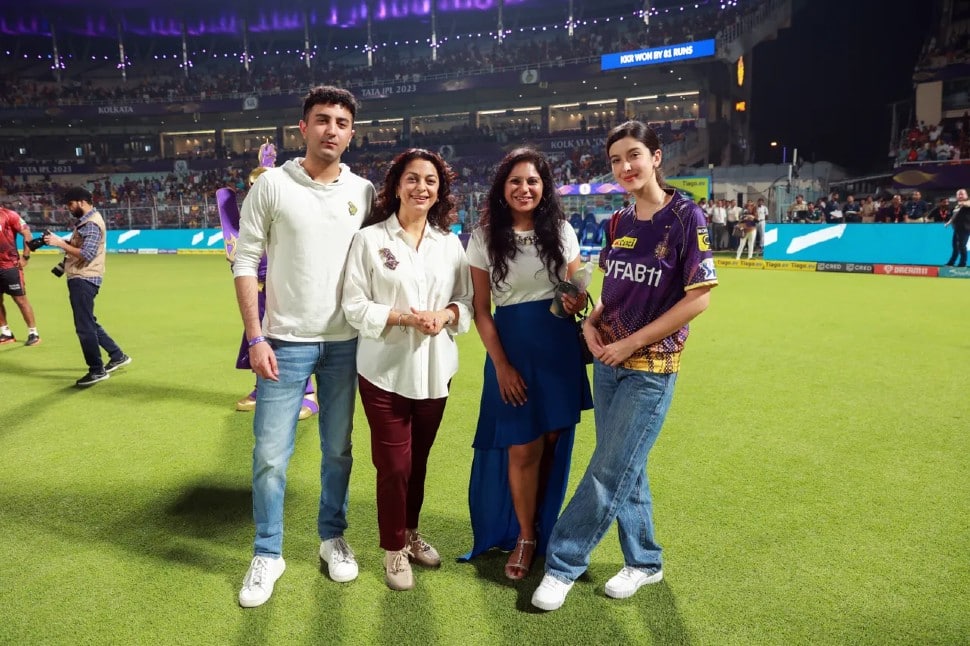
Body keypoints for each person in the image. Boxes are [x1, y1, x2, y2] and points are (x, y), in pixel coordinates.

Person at [531, 120, 717, 612]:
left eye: (633, 155)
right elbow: (617, 291)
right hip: (607, 360)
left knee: (608, 467)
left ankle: (562, 564)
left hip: (650, 365)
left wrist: (629, 341)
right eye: (615, 160)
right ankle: (646, 561)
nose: (624, 167)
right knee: (626, 464)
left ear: (656, 157)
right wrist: (592, 325)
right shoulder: (618, 221)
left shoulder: (686, 217)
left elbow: (698, 298)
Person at [233, 86, 375, 608]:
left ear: (351, 132)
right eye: (322, 120)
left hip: (346, 344)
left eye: (341, 122)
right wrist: (255, 337)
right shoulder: (271, 185)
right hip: (284, 345)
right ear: (303, 128)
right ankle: (268, 552)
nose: (331, 129)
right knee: (270, 455)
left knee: (338, 451)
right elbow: (245, 260)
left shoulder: (364, 191)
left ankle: (331, 536)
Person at [459, 147, 593, 579]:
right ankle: (525, 537)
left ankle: (545, 526)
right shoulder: (483, 237)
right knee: (522, 447)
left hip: (557, 350)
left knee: (553, 442)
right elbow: (481, 309)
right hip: (511, 351)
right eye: (515, 181)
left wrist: (576, 298)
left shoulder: (562, 230)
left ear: (544, 187)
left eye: (532, 181)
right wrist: (501, 365)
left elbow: (574, 293)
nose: (524, 188)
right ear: (502, 187)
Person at [342, 148, 472, 591]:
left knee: (418, 463)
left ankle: (411, 532)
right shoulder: (370, 240)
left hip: (436, 372)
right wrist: (403, 318)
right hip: (383, 372)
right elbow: (354, 305)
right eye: (412, 179)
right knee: (394, 464)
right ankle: (393, 548)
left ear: (441, 190)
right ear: (396, 185)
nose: (421, 188)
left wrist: (447, 315)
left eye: (430, 181)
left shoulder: (450, 243)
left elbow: (468, 302)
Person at [218, 143, 318, 420]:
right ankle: (262, 385)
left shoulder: (289, 212)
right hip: (259, 292)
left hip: (288, 291)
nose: (258, 190)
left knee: (290, 340)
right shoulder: (251, 218)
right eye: (254, 185)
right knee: (257, 338)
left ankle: (307, 392)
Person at [41, 187, 130, 386]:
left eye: (70, 204)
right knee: (89, 321)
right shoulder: (87, 222)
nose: (69, 208)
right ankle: (117, 355)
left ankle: (97, 370)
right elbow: (81, 248)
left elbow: (87, 254)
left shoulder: (90, 224)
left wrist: (59, 243)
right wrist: (61, 243)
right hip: (84, 277)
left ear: (81, 202)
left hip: (84, 278)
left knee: (84, 326)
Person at [0, 205, 41, 346]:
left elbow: (27, 233)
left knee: (20, 300)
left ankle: (33, 333)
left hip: (10, 266)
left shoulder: (9, 214)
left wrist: (25, 257)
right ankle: (5, 332)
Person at [944, 188, 970, 267]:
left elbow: (968, 204)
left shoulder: (968, 202)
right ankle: (951, 262)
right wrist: (949, 222)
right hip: (957, 229)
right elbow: (954, 216)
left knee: (961, 246)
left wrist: (963, 203)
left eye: (962, 194)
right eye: (958, 194)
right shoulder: (957, 206)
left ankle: (962, 263)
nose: (960, 195)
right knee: (955, 247)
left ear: (966, 195)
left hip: (965, 228)